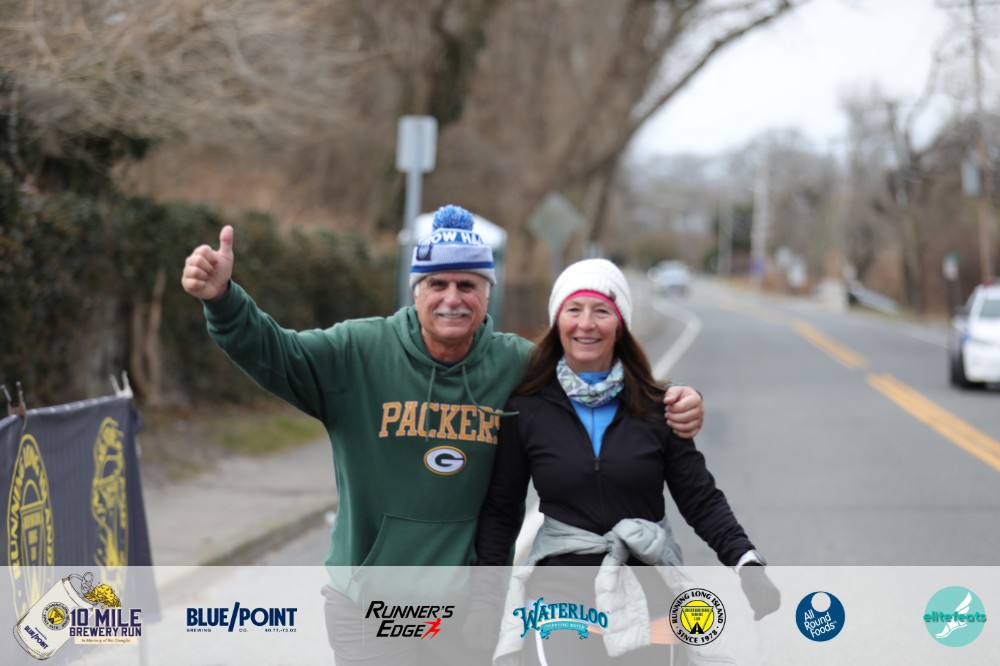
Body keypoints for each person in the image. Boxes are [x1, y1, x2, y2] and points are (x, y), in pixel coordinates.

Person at [180, 205, 706, 663]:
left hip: (466, 609)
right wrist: (223, 300)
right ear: (417, 291)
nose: (452, 298)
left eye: (467, 285)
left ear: (487, 294)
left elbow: (600, 383)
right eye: (438, 284)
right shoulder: (359, 352)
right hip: (370, 604)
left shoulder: (517, 366)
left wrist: (676, 399)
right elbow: (277, 353)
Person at [474, 258, 780, 665]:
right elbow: (501, 511)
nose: (586, 324)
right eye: (574, 309)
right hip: (559, 590)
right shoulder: (526, 410)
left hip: (647, 583)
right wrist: (486, 600)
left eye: (601, 311)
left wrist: (745, 561)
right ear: (557, 321)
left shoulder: (659, 408)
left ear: (620, 325)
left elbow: (700, 499)